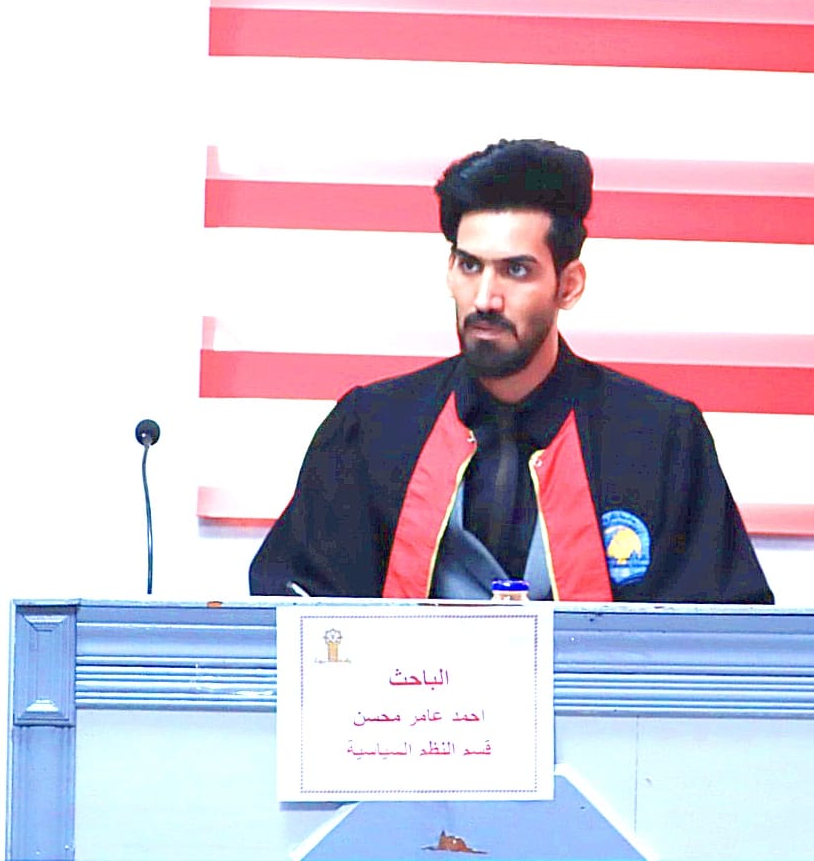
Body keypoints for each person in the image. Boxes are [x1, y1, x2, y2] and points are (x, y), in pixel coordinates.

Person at [249, 139, 773, 603]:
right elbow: (299, 613)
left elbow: (717, 639)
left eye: (516, 270)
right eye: (469, 265)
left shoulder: (659, 439)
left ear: (568, 285)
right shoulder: (371, 429)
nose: (485, 298)